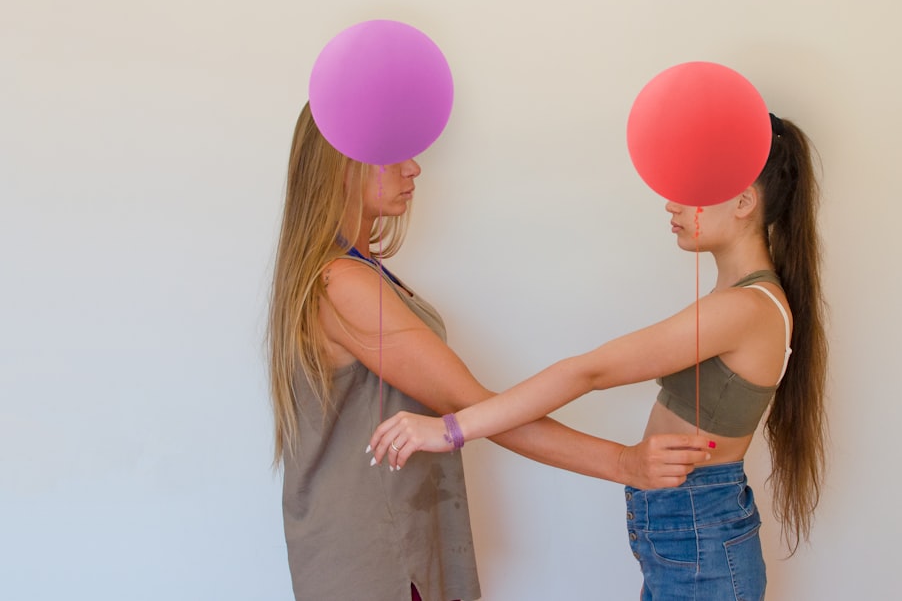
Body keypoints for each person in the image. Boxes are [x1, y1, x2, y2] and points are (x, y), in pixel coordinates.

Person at [370, 113, 828, 601]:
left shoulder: (742, 309)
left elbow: (589, 372)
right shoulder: (741, 301)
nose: (672, 202)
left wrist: (451, 429)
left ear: (743, 201)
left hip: (700, 538)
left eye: (693, 189)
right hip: (691, 534)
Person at [267, 103, 714, 601]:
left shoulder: (359, 272)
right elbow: (471, 404)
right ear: (342, 164)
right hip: (375, 556)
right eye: (393, 156)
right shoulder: (343, 283)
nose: (413, 167)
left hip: (392, 540)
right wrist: (623, 464)